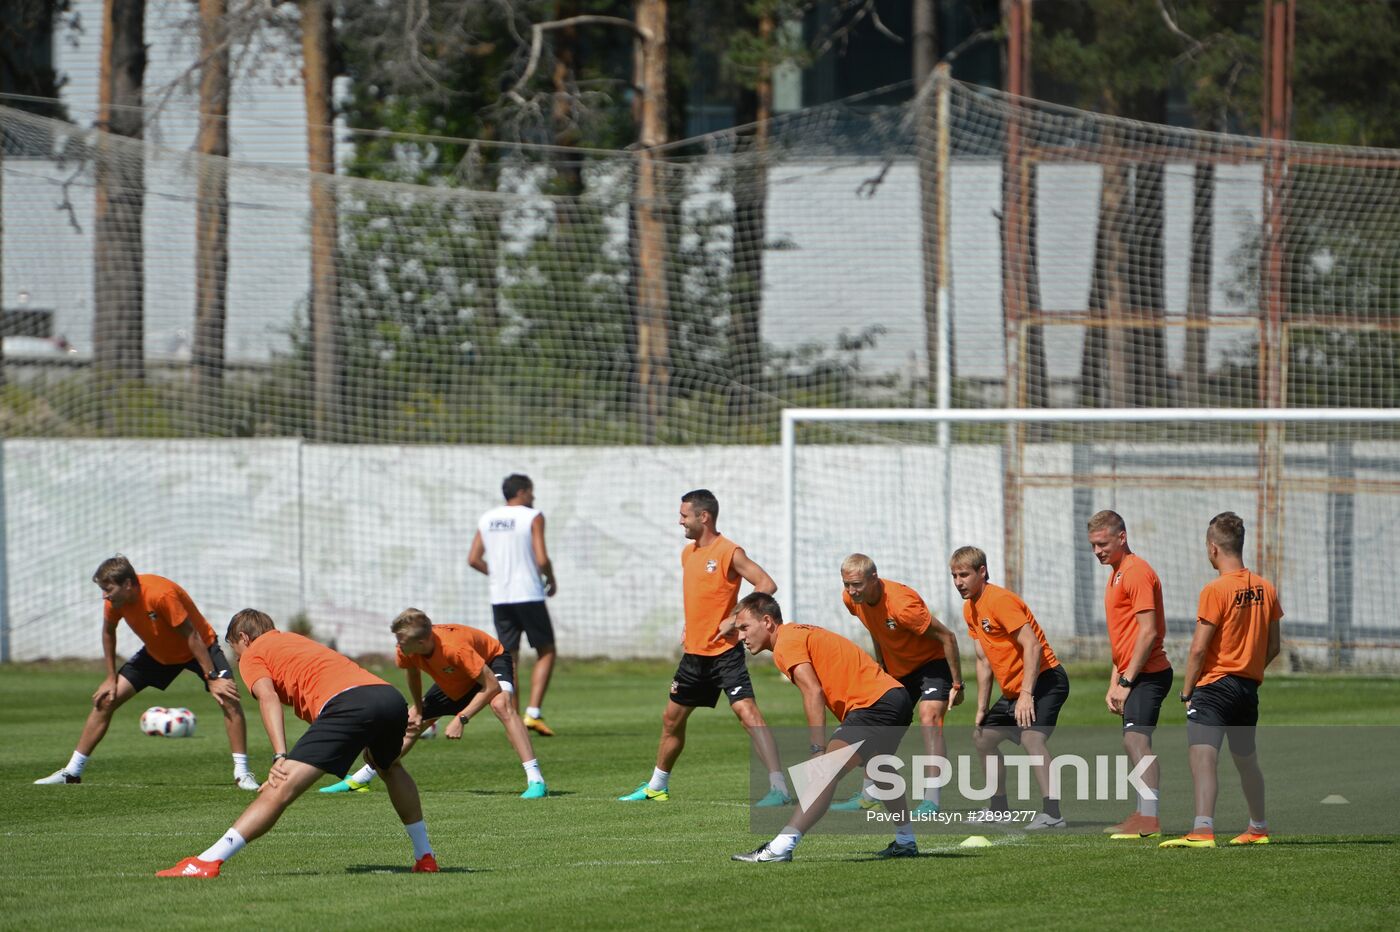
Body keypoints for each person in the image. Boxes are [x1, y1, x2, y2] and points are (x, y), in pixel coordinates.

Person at [157, 609, 439, 877]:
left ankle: (207, 862)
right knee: (390, 767)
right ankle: (425, 857)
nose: (237, 656)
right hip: (387, 696)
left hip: (349, 704)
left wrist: (280, 755)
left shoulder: (253, 653)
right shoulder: (293, 639)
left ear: (243, 638)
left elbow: (267, 697)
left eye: (235, 648)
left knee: (280, 786)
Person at [617, 489, 790, 806]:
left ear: (703, 517)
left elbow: (766, 584)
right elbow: (702, 598)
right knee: (671, 720)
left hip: (725, 654)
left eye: (684, 515)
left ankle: (779, 788)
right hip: (694, 656)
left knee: (748, 715)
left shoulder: (729, 551)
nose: (679, 520)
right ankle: (657, 786)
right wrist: (692, 623)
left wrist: (735, 618)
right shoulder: (688, 553)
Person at [35, 555, 259, 790]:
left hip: (199, 648)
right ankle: (72, 772)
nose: (104, 595)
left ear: (128, 584)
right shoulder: (114, 602)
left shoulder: (160, 594)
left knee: (228, 698)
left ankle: (242, 773)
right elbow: (108, 632)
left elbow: (191, 636)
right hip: (157, 654)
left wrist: (212, 678)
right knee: (105, 700)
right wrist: (111, 678)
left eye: (108, 589)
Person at [730, 593, 917, 863]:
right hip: (894, 697)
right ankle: (906, 841)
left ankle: (780, 847)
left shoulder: (786, 643)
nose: (741, 637)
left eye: (745, 628)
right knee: (881, 771)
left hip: (873, 704)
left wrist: (818, 749)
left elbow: (813, 692)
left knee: (824, 774)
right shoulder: (795, 634)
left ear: (767, 622)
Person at [319, 609, 548, 799]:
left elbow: (491, 686)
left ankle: (536, 780)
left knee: (501, 705)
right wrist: (418, 709)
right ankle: (361, 779)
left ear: (421, 641)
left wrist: (461, 718)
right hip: (457, 675)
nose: (397, 645)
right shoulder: (406, 648)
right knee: (409, 723)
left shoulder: (454, 648)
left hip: (492, 663)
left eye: (401, 640)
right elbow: (413, 675)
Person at [1160, 512, 1282, 850]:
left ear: (1213, 548)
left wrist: (1187, 691)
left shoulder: (1215, 590)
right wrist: (1250, 669)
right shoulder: (1265, 588)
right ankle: (1258, 827)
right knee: (1246, 761)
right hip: (1247, 689)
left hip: (1214, 687)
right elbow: (1274, 646)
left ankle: (1202, 830)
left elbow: (1199, 649)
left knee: (1203, 756)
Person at [832, 553, 963, 817]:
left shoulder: (903, 606)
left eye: (856, 584)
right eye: (846, 584)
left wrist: (957, 684)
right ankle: (869, 796)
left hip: (932, 664)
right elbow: (875, 626)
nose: (850, 590)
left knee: (929, 718)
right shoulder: (851, 599)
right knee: (880, 724)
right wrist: (881, 663)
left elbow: (947, 637)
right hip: (898, 667)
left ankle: (932, 802)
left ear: (873, 578)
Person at [951, 545, 1071, 830]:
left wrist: (1026, 695)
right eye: (954, 576)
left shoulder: (1000, 600)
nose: (958, 582)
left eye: (964, 575)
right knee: (982, 738)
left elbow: (1032, 645)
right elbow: (983, 659)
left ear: (982, 572)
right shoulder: (970, 609)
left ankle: (1053, 814)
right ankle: (999, 809)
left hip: (1046, 681)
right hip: (1014, 690)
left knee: (1032, 738)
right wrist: (981, 707)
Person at [1087, 510, 1173, 840]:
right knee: (1133, 741)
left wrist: (1126, 682)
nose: (1097, 551)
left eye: (1103, 543)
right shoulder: (1117, 573)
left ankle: (1149, 818)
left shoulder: (1136, 572)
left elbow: (1148, 632)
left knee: (1136, 740)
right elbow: (1123, 637)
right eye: (1093, 545)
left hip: (1148, 674)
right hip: (1132, 674)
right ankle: (1142, 813)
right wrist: (1115, 681)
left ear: (1122, 537)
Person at [468, 474, 559, 737]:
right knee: (547, 650)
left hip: (500, 597)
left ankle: (514, 717)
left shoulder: (487, 518)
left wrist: (496, 575)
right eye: (531, 492)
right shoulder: (532, 516)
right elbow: (541, 558)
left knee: (509, 658)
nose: (533, 497)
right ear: (522, 492)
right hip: (528, 593)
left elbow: (473, 559)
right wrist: (550, 578)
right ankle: (533, 713)